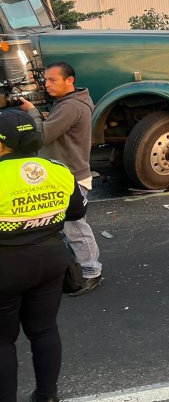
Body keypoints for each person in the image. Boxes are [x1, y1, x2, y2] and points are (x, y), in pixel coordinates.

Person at [0, 109, 87, 402]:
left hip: (6, 264)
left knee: (2, 342)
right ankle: (47, 396)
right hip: (50, 259)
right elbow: (77, 211)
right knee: (44, 330)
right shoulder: (56, 168)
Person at [20, 61, 103, 297]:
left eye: (52, 80)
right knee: (63, 228)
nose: (47, 85)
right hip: (64, 174)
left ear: (70, 81)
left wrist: (33, 113)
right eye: (45, 80)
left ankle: (91, 271)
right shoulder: (69, 102)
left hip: (70, 177)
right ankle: (74, 269)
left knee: (74, 226)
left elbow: (43, 135)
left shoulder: (69, 107)